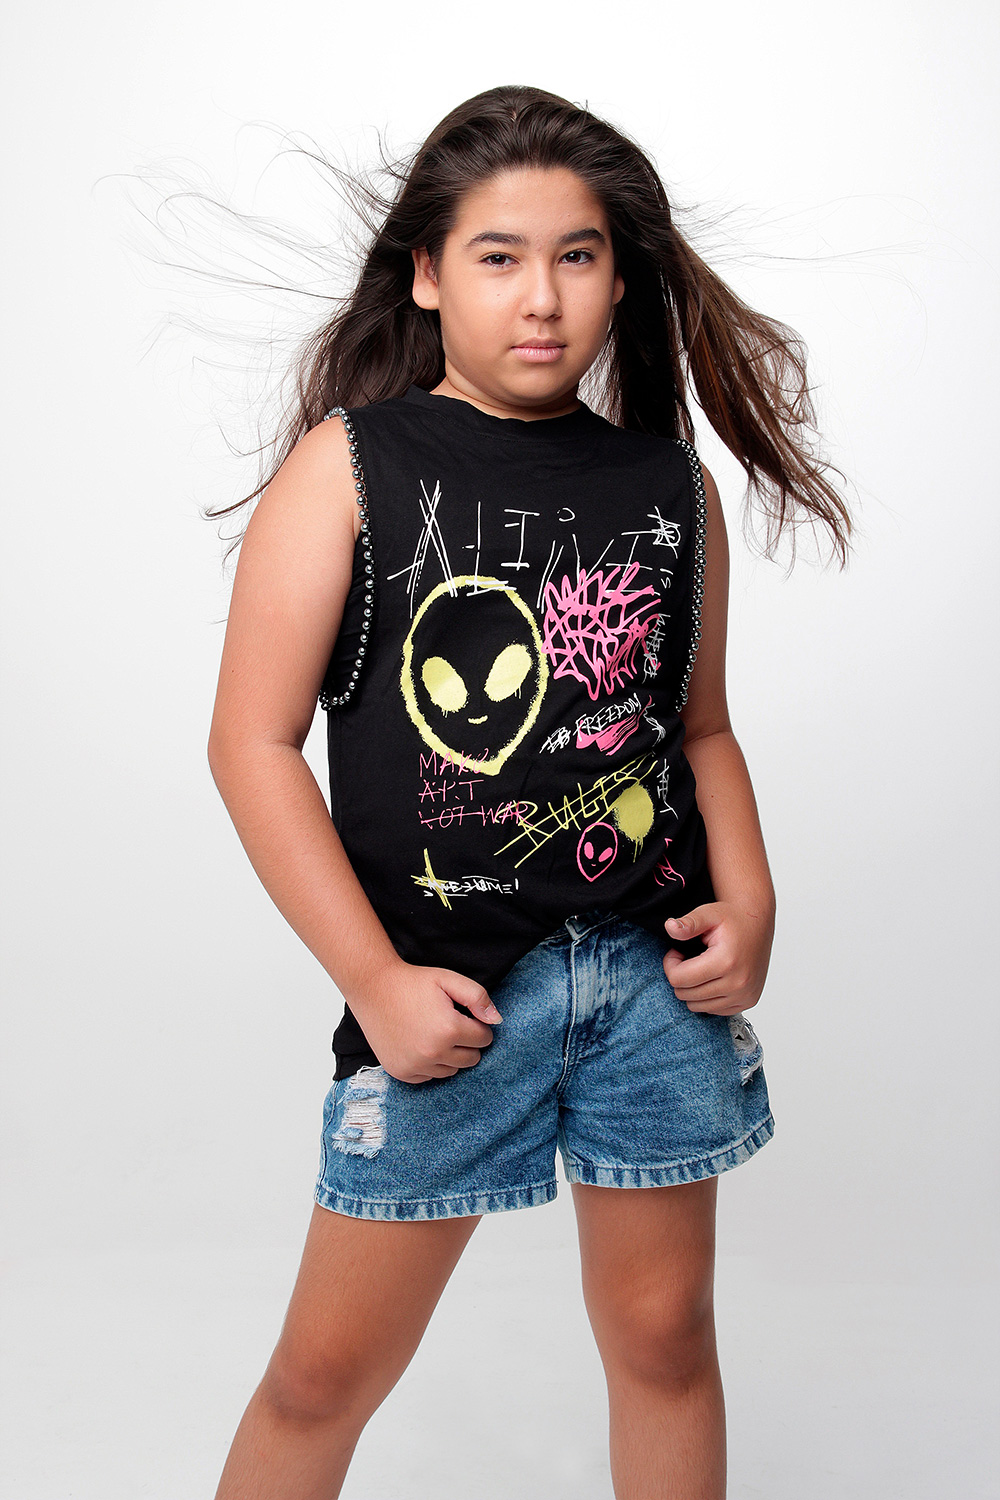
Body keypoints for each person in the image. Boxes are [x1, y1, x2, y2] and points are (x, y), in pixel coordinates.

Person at [206, 84, 852, 1500]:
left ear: (620, 277)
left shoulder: (669, 488)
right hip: (452, 999)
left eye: (577, 255)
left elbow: (701, 730)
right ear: (429, 275)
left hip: (651, 989)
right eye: (498, 256)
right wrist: (373, 982)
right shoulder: (351, 467)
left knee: (666, 1343)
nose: (542, 296)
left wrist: (752, 900)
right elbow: (251, 746)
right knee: (323, 1378)